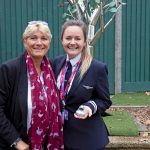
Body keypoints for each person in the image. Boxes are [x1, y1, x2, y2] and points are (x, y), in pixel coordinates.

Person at [0, 21, 64, 150]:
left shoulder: (52, 69)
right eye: (33, 38)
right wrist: (16, 141)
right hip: (18, 146)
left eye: (44, 38)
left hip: (48, 144)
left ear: (49, 43)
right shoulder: (10, 69)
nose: (39, 43)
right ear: (25, 41)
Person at [52, 19, 112, 150]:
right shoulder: (56, 63)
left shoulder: (97, 68)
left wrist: (90, 106)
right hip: (59, 137)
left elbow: (105, 100)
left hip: (87, 140)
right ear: (61, 40)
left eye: (77, 38)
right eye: (68, 38)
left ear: (85, 42)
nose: (72, 42)